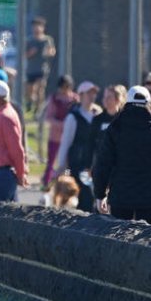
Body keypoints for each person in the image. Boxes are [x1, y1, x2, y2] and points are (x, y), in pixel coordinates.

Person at [93, 85, 151, 224]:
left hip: (120, 196)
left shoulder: (115, 128)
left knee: (119, 239)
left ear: (126, 102)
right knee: (144, 239)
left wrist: (99, 195)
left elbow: (103, 164)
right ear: (148, 103)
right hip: (150, 198)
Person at [55, 81, 102, 209]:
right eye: (88, 93)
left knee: (93, 197)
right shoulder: (73, 117)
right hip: (77, 164)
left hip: (93, 164)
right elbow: (66, 142)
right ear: (80, 95)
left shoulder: (98, 115)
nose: (92, 96)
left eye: (94, 93)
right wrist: (62, 167)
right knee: (83, 196)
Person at [41, 75, 79, 185]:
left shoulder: (75, 99)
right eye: (63, 87)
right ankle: (46, 183)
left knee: (67, 163)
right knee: (51, 162)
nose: (65, 89)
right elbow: (49, 117)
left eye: (67, 86)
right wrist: (62, 125)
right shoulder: (54, 99)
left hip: (70, 137)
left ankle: (67, 182)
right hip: (55, 136)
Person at [87, 84, 126, 167]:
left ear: (117, 99)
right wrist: (88, 165)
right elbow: (90, 143)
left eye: (109, 97)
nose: (105, 100)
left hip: (119, 165)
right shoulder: (97, 119)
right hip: (101, 164)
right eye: (105, 97)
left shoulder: (123, 119)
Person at [25, 17, 56, 112]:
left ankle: (39, 111)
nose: (36, 28)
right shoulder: (29, 40)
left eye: (39, 26)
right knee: (30, 91)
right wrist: (31, 52)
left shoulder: (47, 40)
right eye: (34, 26)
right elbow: (24, 55)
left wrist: (49, 52)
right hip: (31, 69)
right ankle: (30, 102)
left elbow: (52, 51)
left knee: (40, 89)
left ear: (43, 27)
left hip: (42, 69)